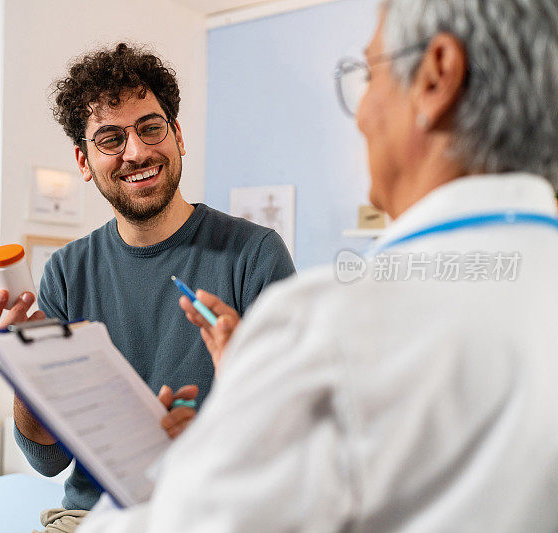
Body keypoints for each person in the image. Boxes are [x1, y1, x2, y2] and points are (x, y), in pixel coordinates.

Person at [78, 0, 558, 531]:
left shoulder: (327, 329)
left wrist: (169, 450)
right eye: (108, 139)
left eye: (369, 73)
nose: (364, 114)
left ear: (436, 76)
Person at [0, 43, 295, 532]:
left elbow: (292, 433)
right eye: (110, 138)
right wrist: (25, 377)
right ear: (84, 162)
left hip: (209, 514)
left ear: (178, 136)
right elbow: (47, 460)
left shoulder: (254, 254)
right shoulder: (67, 270)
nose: (137, 151)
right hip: (91, 518)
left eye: (151, 127)